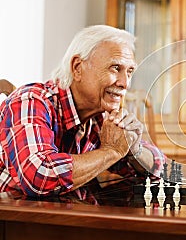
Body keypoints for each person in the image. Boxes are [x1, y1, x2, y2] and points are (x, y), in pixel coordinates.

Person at [0, 25, 164, 203]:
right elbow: (40, 177)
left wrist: (134, 149)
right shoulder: (31, 100)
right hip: (15, 222)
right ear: (77, 68)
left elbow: (159, 165)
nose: (125, 83)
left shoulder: (101, 115)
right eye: (115, 68)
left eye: (130, 71)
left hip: (67, 216)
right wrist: (111, 151)